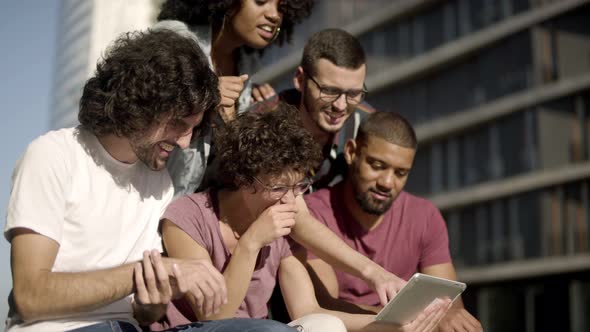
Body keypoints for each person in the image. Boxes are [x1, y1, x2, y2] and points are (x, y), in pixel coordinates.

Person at [3, 29, 290, 332]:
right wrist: (152, 271)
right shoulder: (53, 155)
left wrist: (152, 301)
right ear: (140, 104)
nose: (183, 142)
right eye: (178, 124)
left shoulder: (160, 183)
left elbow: (146, 315)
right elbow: (30, 296)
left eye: (192, 128)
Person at [155, 104, 452, 332]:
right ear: (244, 180)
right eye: (279, 188)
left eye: (298, 187)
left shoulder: (281, 226)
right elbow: (214, 317)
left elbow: (308, 310)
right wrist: (251, 242)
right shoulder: (187, 217)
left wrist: (385, 325)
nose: (291, 200)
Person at [303, 112, 484, 332]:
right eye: (377, 166)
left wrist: (451, 317)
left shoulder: (424, 216)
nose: (387, 183)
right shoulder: (312, 213)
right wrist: (409, 319)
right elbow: (325, 305)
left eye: (400, 173)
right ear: (351, 152)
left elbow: (447, 303)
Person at [154, 0, 315, 197]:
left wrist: (259, 123)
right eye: (261, 1)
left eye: (282, 8)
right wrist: (203, 95)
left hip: (194, 212)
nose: (274, 15)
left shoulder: (246, 64)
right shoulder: (174, 38)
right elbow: (135, 110)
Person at [248, 28, 374, 190]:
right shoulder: (257, 123)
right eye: (329, 91)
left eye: (353, 93)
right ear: (300, 80)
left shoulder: (369, 127)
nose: (340, 106)